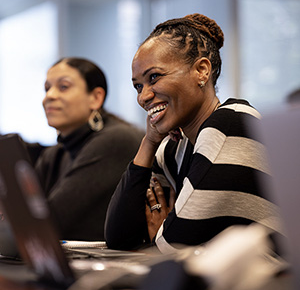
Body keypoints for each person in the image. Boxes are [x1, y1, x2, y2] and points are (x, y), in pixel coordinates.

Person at [104, 14, 283, 253]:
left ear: (201, 71)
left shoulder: (232, 123)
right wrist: (149, 142)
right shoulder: (175, 147)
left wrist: (161, 230)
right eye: (138, 86)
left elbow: (172, 244)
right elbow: (119, 238)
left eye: (154, 77)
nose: (143, 96)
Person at [35, 57, 144, 241]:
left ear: (95, 98)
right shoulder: (54, 154)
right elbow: (23, 217)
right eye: (47, 88)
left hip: (113, 266)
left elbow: (47, 222)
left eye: (63, 87)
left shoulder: (116, 140)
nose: (49, 96)